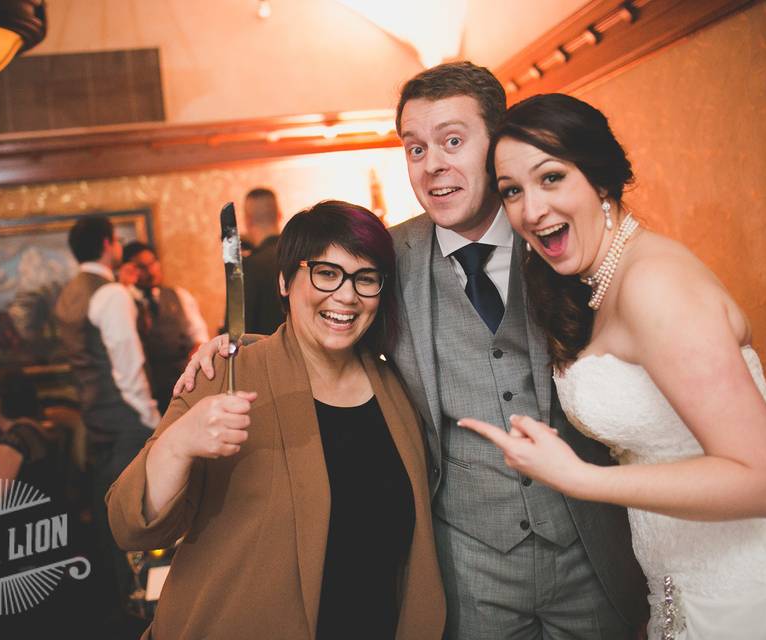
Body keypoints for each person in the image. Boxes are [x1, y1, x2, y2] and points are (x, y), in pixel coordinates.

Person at [176, 62, 647, 639]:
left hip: (588, 543)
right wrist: (235, 346)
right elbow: (326, 317)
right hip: (468, 560)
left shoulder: (555, 228)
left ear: (496, 143)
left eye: (452, 141)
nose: (433, 166)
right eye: (415, 148)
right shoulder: (388, 255)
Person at [459, 93, 766, 639]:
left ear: (598, 179)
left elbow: (764, 482)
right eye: (513, 192)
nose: (531, 209)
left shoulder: (655, 285)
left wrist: (580, 478)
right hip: (690, 579)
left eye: (551, 178)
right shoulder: (595, 282)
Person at [107, 201, 445, 640]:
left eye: (366, 279)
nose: (346, 295)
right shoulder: (224, 376)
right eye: (326, 272)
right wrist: (179, 443)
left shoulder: (398, 390)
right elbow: (128, 523)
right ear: (285, 281)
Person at [52, 215, 160, 614]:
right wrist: (151, 418)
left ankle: (124, 608)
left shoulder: (69, 294)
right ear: (107, 243)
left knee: (112, 520)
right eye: (117, 240)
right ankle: (149, 613)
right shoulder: (110, 294)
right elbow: (127, 366)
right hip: (127, 421)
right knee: (138, 519)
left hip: (96, 423)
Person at [122, 240, 209, 413]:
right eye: (141, 266)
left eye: (152, 263)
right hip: (150, 393)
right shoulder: (124, 302)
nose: (150, 271)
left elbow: (200, 336)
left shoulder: (179, 296)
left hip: (185, 386)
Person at [242, 187, 286, 334]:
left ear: (248, 220)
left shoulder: (249, 266)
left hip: (263, 354)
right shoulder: (298, 256)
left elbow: (241, 328)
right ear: (279, 215)